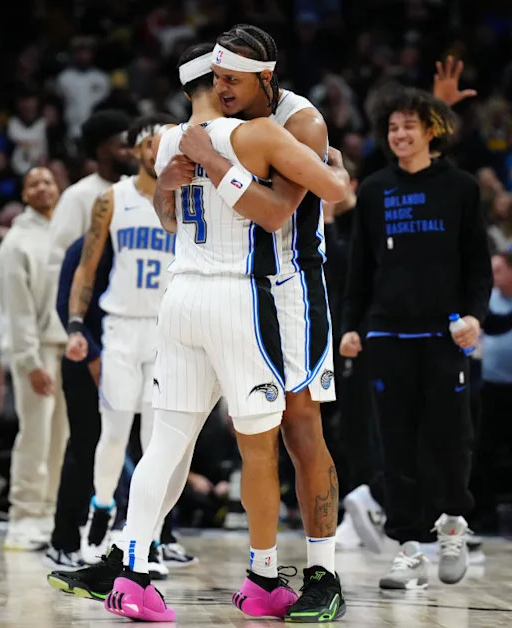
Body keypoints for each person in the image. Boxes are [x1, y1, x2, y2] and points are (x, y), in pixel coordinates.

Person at [56, 41, 349, 622]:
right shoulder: (254, 136)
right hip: (244, 294)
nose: (228, 84)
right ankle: (261, 577)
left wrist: (176, 179)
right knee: (257, 443)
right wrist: (327, 171)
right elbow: (314, 197)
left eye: (234, 76)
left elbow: (172, 214)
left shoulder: (178, 138)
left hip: (218, 294)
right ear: (214, 85)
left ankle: (132, 566)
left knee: (174, 439)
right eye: (221, 77)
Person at [340, 88, 492, 590]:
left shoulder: (462, 188)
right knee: (396, 444)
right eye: (392, 127)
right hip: (386, 333)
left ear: (432, 131)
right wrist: (350, 325)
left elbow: (478, 267)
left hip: (444, 334)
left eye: (409, 125)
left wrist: (474, 316)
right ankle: (407, 550)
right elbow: (360, 266)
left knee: (450, 438)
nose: (399, 135)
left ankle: (451, 526)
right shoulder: (376, 189)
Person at [64, 114, 178, 571]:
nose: (157, 150)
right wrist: (75, 324)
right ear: (136, 150)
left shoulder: (188, 199)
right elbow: (85, 270)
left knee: (158, 441)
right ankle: (102, 512)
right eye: (151, 142)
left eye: (166, 142)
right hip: (121, 329)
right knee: (114, 432)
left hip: (169, 332)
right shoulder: (112, 199)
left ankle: (146, 537)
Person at [0, 166, 69, 551]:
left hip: (67, 345)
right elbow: (17, 310)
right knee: (34, 437)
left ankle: (52, 513)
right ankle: (23, 517)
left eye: (48, 181)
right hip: (37, 350)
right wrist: (29, 361)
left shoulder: (66, 232)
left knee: (61, 440)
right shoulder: (16, 242)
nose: (43, 188)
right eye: (34, 183)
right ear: (24, 194)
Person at [43, 233, 111, 571]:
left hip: (132, 361)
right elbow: (64, 308)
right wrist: (95, 358)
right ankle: (64, 539)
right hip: (83, 360)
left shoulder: (149, 241)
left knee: (139, 452)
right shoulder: (83, 248)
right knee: (84, 449)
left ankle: (148, 542)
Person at [471, 251, 512, 534]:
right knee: (485, 454)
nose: (493, 277)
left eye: (498, 271)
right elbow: (493, 326)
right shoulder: (489, 301)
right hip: (491, 389)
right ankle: (484, 515)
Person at [49, 110, 134, 267]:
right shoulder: (77, 196)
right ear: (101, 151)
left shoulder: (140, 192)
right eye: (123, 147)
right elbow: (58, 257)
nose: (131, 153)